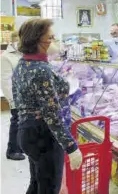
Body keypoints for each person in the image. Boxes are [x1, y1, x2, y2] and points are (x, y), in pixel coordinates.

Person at [13, 18, 83, 194]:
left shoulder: (23, 64)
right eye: (51, 37)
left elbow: (19, 100)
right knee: (49, 188)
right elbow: (51, 114)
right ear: (39, 41)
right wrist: (71, 147)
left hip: (27, 132)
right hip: (44, 135)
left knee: (37, 182)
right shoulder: (41, 69)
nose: (54, 41)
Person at [1, 31, 25, 160]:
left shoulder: (23, 54)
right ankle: (11, 150)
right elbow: (5, 81)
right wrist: (12, 100)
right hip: (16, 97)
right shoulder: (6, 57)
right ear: (13, 41)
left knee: (22, 122)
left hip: (25, 96)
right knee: (16, 121)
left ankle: (20, 147)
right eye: (19, 40)